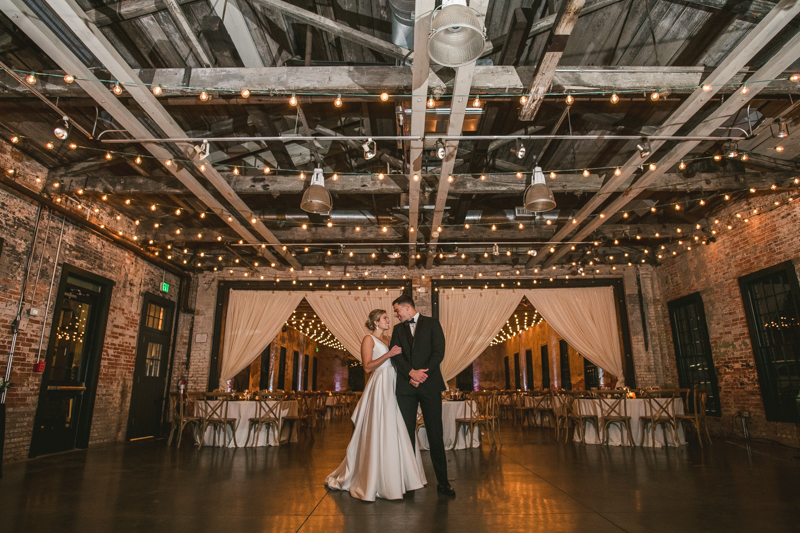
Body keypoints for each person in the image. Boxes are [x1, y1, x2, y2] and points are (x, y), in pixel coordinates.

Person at [325, 309, 426, 501]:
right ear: (376, 323)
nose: (389, 320)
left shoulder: (389, 340)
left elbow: (397, 363)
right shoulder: (368, 339)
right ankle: (376, 478)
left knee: (399, 426)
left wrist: (409, 376)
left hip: (394, 382)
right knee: (382, 426)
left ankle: (400, 476)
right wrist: (388, 355)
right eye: (385, 318)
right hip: (380, 384)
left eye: (388, 317)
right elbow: (367, 366)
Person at [390, 295, 455, 497]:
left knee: (435, 433)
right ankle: (408, 481)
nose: (395, 315)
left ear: (407, 307)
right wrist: (410, 373)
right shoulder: (397, 330)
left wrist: (421, 375)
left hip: (429, 385)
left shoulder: (432, 324)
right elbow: (396, 356)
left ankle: (443, 482)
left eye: (397, 311)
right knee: (406, 434)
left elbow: (439, 352)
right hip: (406, 388)